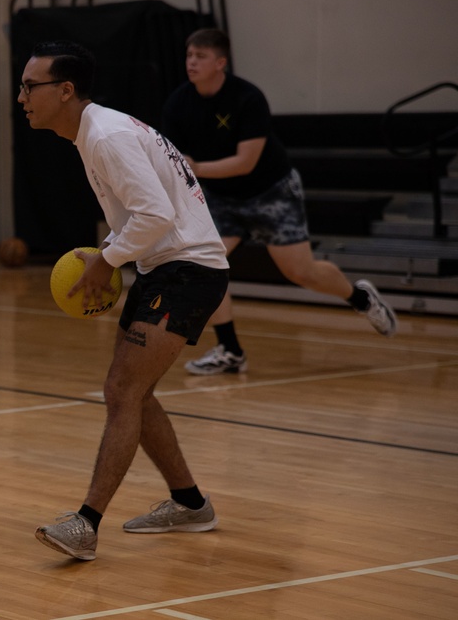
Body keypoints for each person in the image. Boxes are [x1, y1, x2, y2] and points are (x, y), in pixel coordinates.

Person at [20, 41, 230, 561]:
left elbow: (156, 216)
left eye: (30, 86)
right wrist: (117, 256)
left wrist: (107, 259)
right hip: (168, 268)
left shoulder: (107, 136)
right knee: (134, 392)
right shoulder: (99, 131)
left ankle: (86, 524)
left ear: (65, 90)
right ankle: (189, 503)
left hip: (188, 270)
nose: (20, 95)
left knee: (121, 389)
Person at [162, 28, 396, 376]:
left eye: (200, 56)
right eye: (188, 55)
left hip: (271, 191)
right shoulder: (179, 103)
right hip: (220, 197)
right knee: (203, 267)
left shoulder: (248, 98)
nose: (191, 62)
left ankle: (360, 298)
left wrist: (196, 168)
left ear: (221, 62)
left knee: (300, 271)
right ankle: (230, 351)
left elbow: (246, 162)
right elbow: (173, 157)